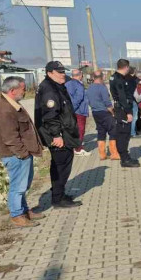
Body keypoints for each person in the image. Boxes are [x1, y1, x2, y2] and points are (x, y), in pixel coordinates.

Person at [0, 77, 45, 227]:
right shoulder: (4, 109)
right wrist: (23, 153)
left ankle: (24, 211)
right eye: (23, 88)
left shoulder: (11, 104)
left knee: (23, 185)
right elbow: (10, 138)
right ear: (12, 90)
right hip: (16, 155)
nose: (25, 91)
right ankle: (17, 215)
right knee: (18, 186)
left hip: (20, 154)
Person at [35, 61, 82, 209]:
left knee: (61, 166)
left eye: (63, 71)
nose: (63, 74)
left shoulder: (56, 86)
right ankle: (58, 198)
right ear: (49, 73)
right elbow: (50, 116)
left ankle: (59, 193)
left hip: (64, 132)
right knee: (61, 167)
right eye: (59, 72)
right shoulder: (49, 89)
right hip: (58, 136)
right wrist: (56, 135)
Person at [109, 59, 140, 167]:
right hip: (122, 110)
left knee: (123, 134)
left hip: (120, 109)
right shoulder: (119, 79)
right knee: (123, 134)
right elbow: (122, 97)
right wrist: (128, 112)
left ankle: (125, 157)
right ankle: (124, 159)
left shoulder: (115, 77)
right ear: (126, 67)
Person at [87, 71, 116, 160]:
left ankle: (102, 154)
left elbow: (88, 101)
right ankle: (114, 154)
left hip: (95, 112)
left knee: (101, 132)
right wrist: (113, 112)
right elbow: (107, 102)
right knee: (113, 131)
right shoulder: (102, 88)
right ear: (102, 77)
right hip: (104, 112)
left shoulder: (89, 88)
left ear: (93, 77)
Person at [65, 69, 89, 156]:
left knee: (73, 130)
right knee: (80, 130)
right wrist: (73, 109)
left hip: (72, 111)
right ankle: (78, 149)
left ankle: (74, 146)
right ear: (80, 75)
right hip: (79, 111)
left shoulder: (67, 84)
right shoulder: (79, 85)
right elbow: (78, 98)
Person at [127, 66, 139, 137]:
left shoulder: (124, 78)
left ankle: (129, 132)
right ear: (134, 72)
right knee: (134, 117)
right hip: (133, 100)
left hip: (126, 100)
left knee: (128, 117)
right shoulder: (135, 80)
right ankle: (132, 132)